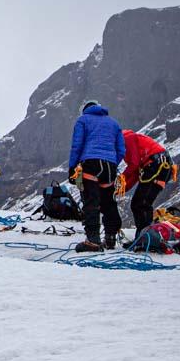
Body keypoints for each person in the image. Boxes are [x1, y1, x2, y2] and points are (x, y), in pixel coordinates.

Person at [67, 101, 126, 251]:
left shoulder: (82, 120)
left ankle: (93, 241)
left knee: (91, 201)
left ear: (85, 110)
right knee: (108, 202)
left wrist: (72, 167)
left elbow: (77, 145)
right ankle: (110, 239)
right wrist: (113, 162)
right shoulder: (114, 123)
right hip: (110, 166)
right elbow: (121, 149)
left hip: (91, 163)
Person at [120, 128, 176, 232]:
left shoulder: (127, 138)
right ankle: (144, 235)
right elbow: (136, 172)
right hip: (159, 166)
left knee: (141, 203)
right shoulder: (128, 142)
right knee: (139, 203)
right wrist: (123, 188)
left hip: (156, 165)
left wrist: (121, 178)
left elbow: (134, 164)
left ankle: (145, 235)